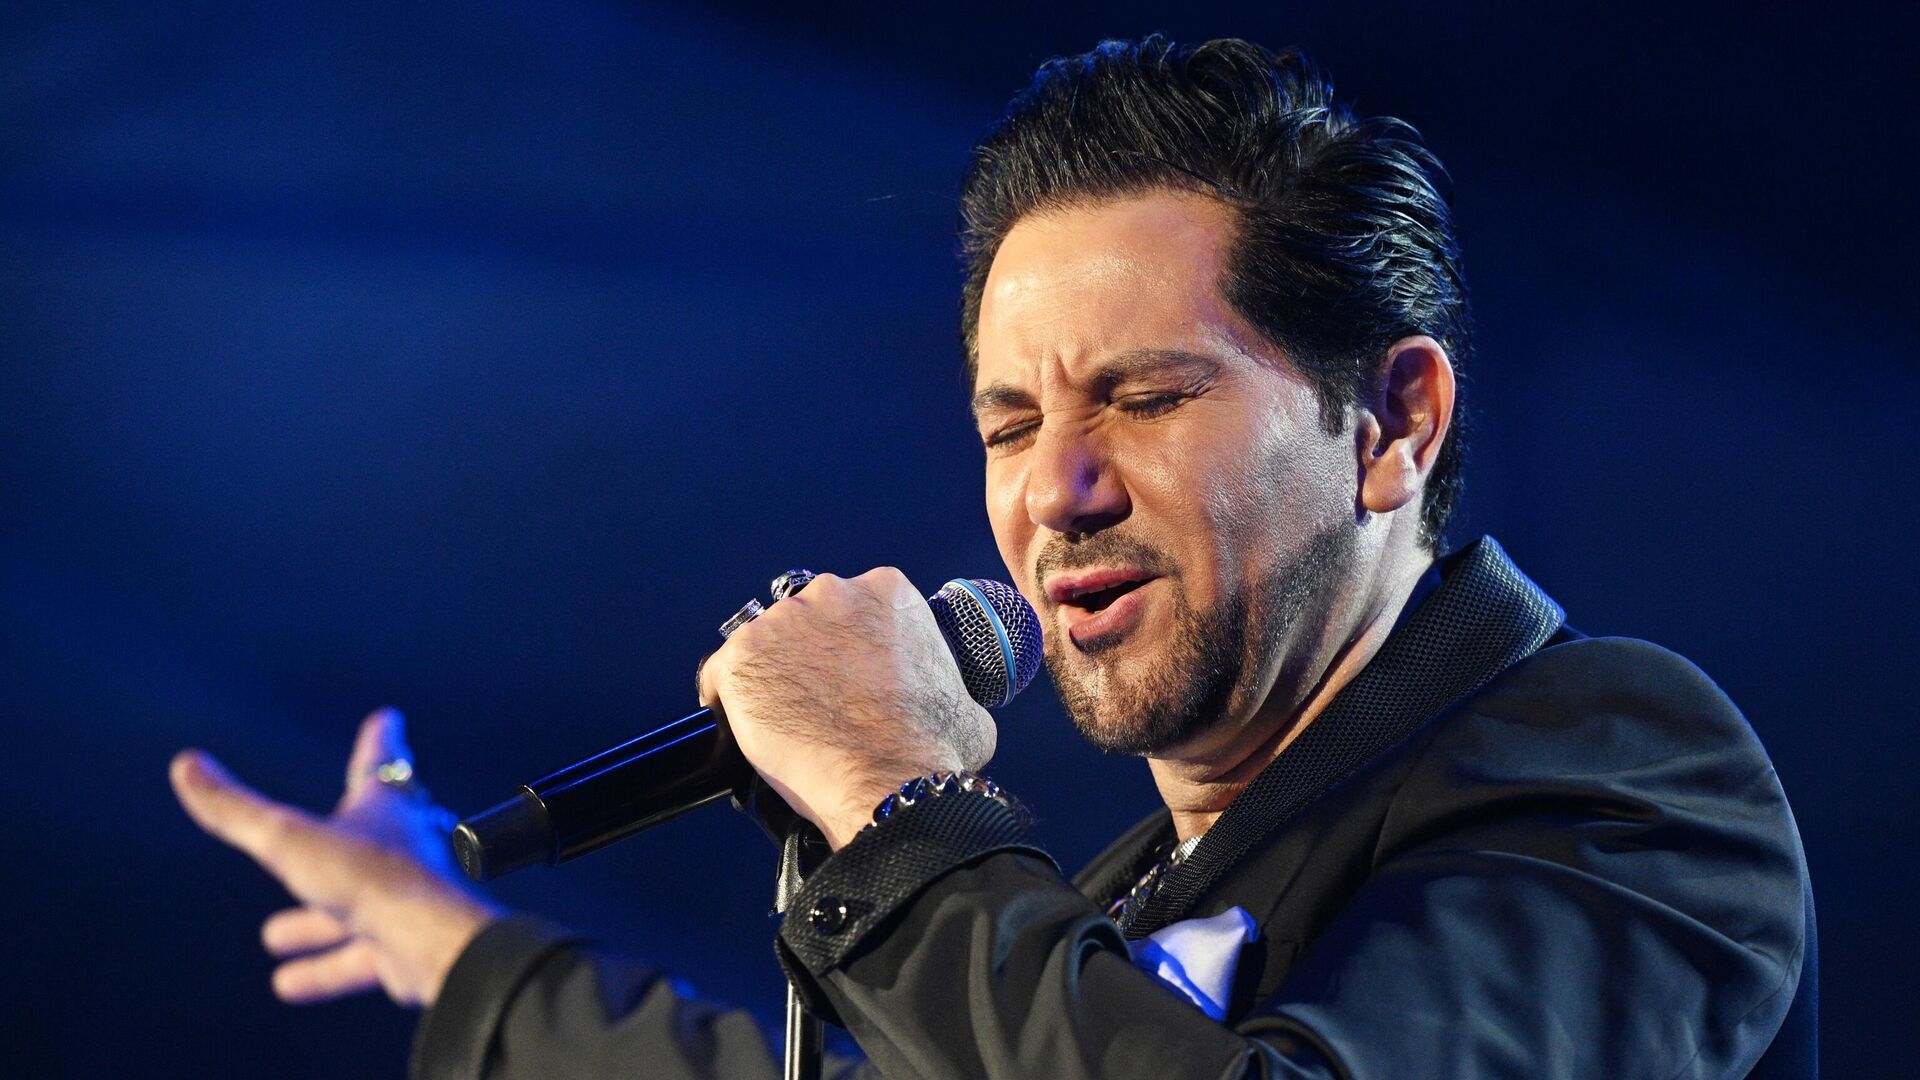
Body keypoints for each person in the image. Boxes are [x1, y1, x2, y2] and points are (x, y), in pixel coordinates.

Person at [169, 36, 1815, 1079]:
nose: (1059, 490)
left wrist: (893, 795)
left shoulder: (1619, 768)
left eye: (1147, 398)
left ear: (1393, 424)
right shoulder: (1098, 926)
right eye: (1010, 423)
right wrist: (459, 949)